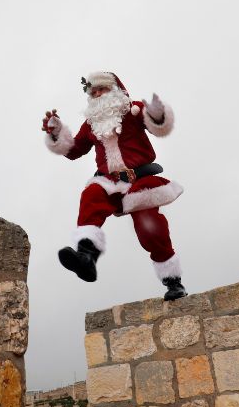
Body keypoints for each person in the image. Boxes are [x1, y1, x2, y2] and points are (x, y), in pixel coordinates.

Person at [41, 72, 187, 300]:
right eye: (94, 92)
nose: (98, 94)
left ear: (116, 90)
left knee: (149, 229)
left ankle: (173, 281)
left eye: (103, 89)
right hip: (109, 181)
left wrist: (158, 114)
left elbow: (157, 125)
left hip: (141, 180)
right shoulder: (90, 125)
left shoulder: (133, 110)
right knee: (91, 196)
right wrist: (57, 133)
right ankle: (87, 257)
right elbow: (74, 150)